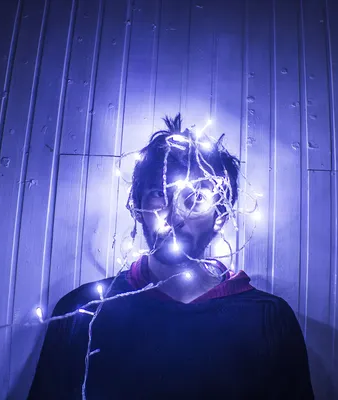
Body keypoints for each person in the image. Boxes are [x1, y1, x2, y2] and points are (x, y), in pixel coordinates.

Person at [28, 114, 314, 399]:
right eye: (158, 194)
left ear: (221, 217)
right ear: (136, 207)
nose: (175, 215)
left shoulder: (268, 318)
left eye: (197, 198)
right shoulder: (84, 310)